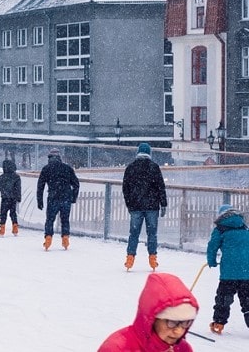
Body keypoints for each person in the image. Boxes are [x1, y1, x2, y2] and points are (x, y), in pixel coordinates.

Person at [98, 272, 199, 351]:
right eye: (172, 323)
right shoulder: (118, 348)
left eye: (186, 323)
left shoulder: (182, 349)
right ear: (153, 319)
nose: (179, 331)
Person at [206, 205, 249, 336]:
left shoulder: (220, 228)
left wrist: (212, 261)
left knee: (223, 299)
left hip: (229, 273)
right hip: (248, 272)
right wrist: (244, 258)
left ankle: (219, 323)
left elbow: (212, 247)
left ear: (220, 215)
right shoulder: (244, 227)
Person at [123, 142, 168, 271]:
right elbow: (161, 187)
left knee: (134, 233)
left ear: (138, 153)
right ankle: (152, 258)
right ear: (149, 153)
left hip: (136, 206)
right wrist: (163, 203)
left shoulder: (130, 168)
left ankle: (130, 257)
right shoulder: (154, 167)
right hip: (152, 206)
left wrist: (129, 204)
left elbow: (125, 188)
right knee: (152, 233)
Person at [36, 148, 79, 251]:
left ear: (49, 158)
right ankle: (65, 238)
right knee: (65, 220)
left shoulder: (46, 169)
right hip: (66, 198)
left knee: (50, 220)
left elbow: (40, 186)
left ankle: (48, 238)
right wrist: (73, 197)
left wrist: (40, 200)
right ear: (59, 157)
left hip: (53, 198)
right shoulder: (67, 168)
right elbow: (76, 184)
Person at [0, 158, 21, 237]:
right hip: (13, 198)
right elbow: (18, 188)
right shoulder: (16, 177)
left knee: (3, 213)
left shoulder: (1, 177)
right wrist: (18, 197)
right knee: (13, 213)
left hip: (5, 198)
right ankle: (15, 227)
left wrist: (3, 190)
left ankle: (2, 229)